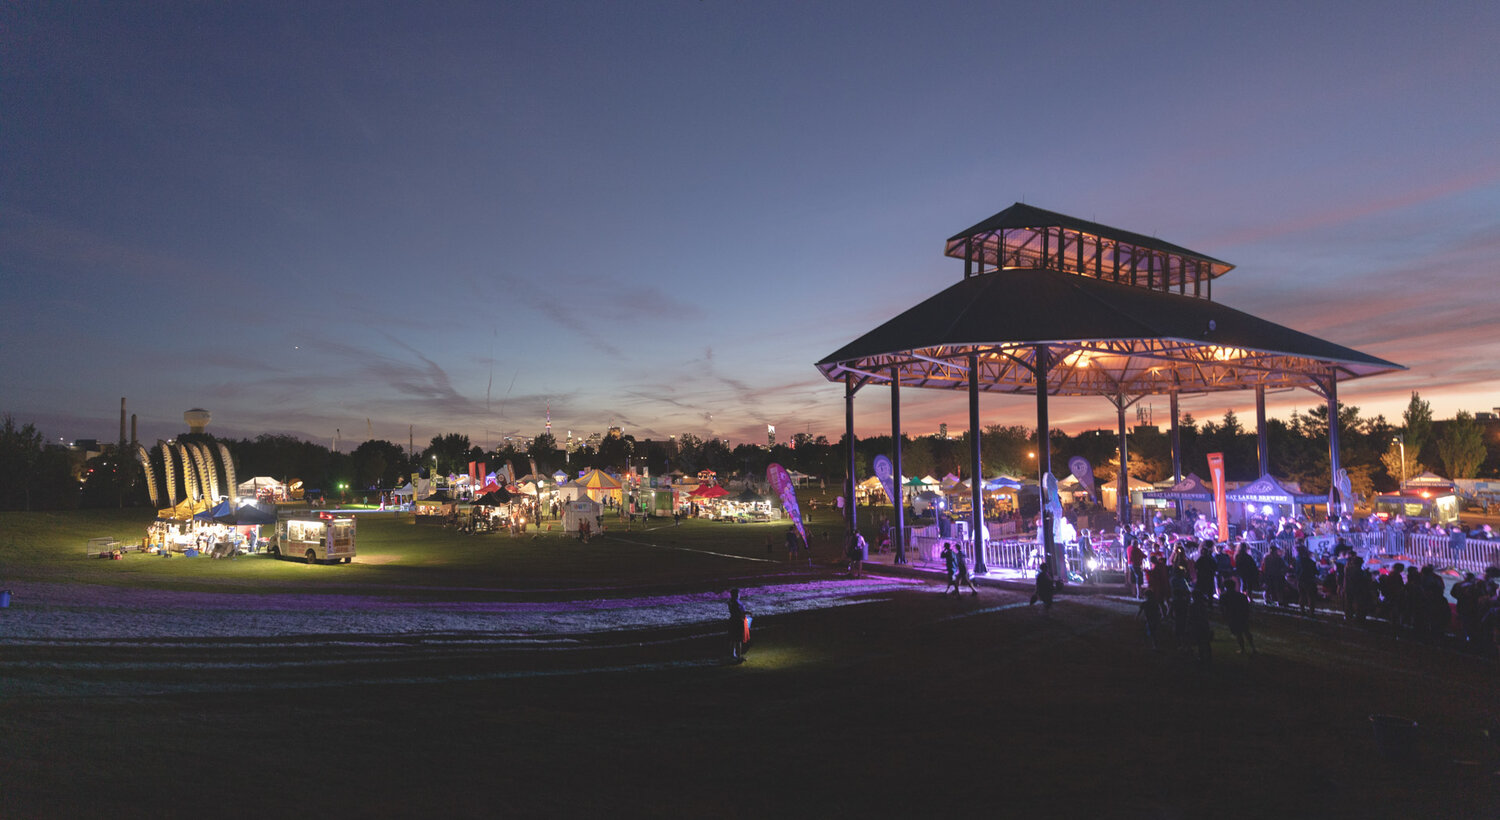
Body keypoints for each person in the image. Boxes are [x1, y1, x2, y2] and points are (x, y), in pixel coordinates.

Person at [1220, 577, 1256, 655]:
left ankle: (1243, 649)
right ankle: (1253, 648)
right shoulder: (1241, 595)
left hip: (1232, 615)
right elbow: (1246, 606)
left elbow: (1222, 607)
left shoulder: (1224, 596)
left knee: (1238, 633)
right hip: (1242, 615)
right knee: (1246, 631)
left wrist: (1224, 616)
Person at [727, 588, 750, 663]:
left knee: (732, 639)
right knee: (738, 640)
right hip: (738, 622)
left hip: (732, 621)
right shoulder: (737, 603)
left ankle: (732, 655)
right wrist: (747, 613)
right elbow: (740, 613)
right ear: (737, 595)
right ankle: (739, 657)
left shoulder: (730, 602)